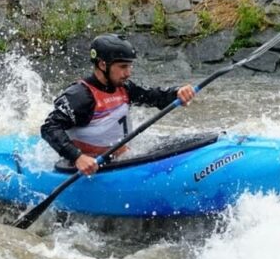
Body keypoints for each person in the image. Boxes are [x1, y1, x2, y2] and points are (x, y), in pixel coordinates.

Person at [41, 34, 196, 176]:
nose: (128, 73)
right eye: (123, 67)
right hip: (91, 168)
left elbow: (154, 96)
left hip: (121, 160)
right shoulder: (80, 96)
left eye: (129, 66)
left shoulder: (124, 88)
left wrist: (177, 93)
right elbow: (49, 127)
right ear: (102, 64)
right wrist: (77, 157)